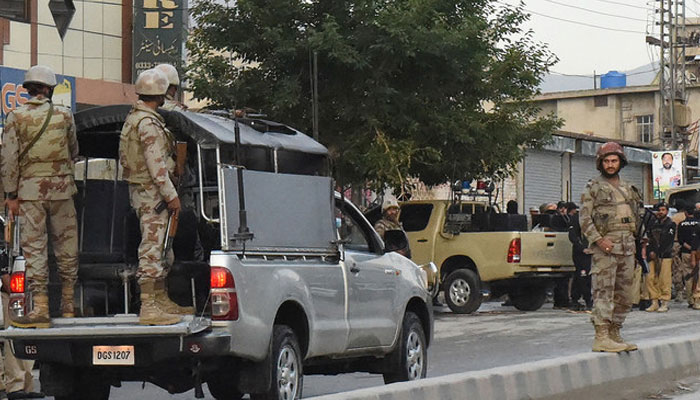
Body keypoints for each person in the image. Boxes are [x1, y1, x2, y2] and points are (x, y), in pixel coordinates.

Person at [0, 65, 79, 328]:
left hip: (29, 193)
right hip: (62, 190)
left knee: (34, 249)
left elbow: (8, 160)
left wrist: (10, 195)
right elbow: (73, 150)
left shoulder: (15, 117)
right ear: (49, 88)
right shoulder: (64, 115)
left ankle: (41, 307)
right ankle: (68, 303)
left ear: (28, 89)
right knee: (66, 245)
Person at [119, 68, 187, 326]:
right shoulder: (148, 124)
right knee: (152, 248)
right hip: (153, 193)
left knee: (160, 247)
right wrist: (171, 195)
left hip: (145, 192)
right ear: (160, 94)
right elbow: (156, 165)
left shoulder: (136, 118)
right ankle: (149, 306)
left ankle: (160, 300)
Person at [580, 141, 641, 353]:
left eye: (614, 160)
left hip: (627, 246)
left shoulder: (628, 188)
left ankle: (615, 332)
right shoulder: (593, 188)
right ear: (600, 163)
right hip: (605, 246)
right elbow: (584, 218)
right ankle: (602, 336)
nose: (610, 164)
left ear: (621, 162)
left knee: (625, 294)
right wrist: (599, 240)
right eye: (606, 161)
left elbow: (636, 217)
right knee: (603, 291)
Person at [645, 202, 676, 313]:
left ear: (667, 211)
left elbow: (668, 241)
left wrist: (658, 252)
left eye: (663, 210)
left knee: (664, 279)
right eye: (659, 210)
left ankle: (664, 302)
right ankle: (654, 301)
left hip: (665, 255)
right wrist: (651, 252)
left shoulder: (670, 224)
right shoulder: (652, 224)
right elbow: (649, 239)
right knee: (650, 278)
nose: (660, 212)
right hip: (652, 255)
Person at [568, 203, 592, 311]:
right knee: (582, 275)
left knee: (585, 276)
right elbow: (573, 236)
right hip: (580, 252)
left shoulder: (594, 217)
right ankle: (585, 299)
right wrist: (582, 248)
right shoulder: (576, 219)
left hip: (591, 251)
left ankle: (577, 298)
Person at [676, 204, 697, 308]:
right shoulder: (698, 223)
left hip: (686, 252)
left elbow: (680, 240)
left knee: (688, 276)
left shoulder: (681, 224)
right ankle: (697, 298)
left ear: (685, 213)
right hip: (698, 252)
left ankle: (690, 300)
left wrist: (689, 248)